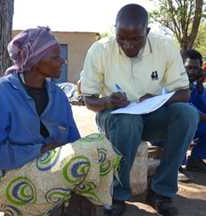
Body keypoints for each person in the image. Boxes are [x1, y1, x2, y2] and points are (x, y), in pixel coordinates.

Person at [80, 4, 199, 216]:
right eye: (121, 38)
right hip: (114, 116)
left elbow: (184, 92)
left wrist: (159, 98)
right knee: (128, 121)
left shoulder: (165, 47)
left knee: (187, 114)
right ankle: (117, 194)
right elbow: (88, 99)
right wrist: (107, 101)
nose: (128, 45)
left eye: (136, 39)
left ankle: (161, 192)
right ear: (114, 29)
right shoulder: (99, 50)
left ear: (148, 32)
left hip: (152, 115)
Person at [0, 27, 118, 215]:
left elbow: (75, 142)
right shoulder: (0, 93)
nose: (62, 61)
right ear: (35, 60)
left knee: (101, 146)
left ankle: (81, 203)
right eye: (55, 57)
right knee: (86, 155)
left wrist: (61, 155)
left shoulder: (58, 96)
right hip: (12, 182)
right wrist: (40, 150)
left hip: (52, 176)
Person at [183, 49, 206, 173]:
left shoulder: (196, 85)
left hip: (191, 126)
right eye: (189, 67)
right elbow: (188, 111)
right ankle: (177, 165)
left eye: (196, 68)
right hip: (163, 130)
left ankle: (195, 159)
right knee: (183, 120)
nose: (192, 72)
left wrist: (201, 89)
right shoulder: (174, 83)